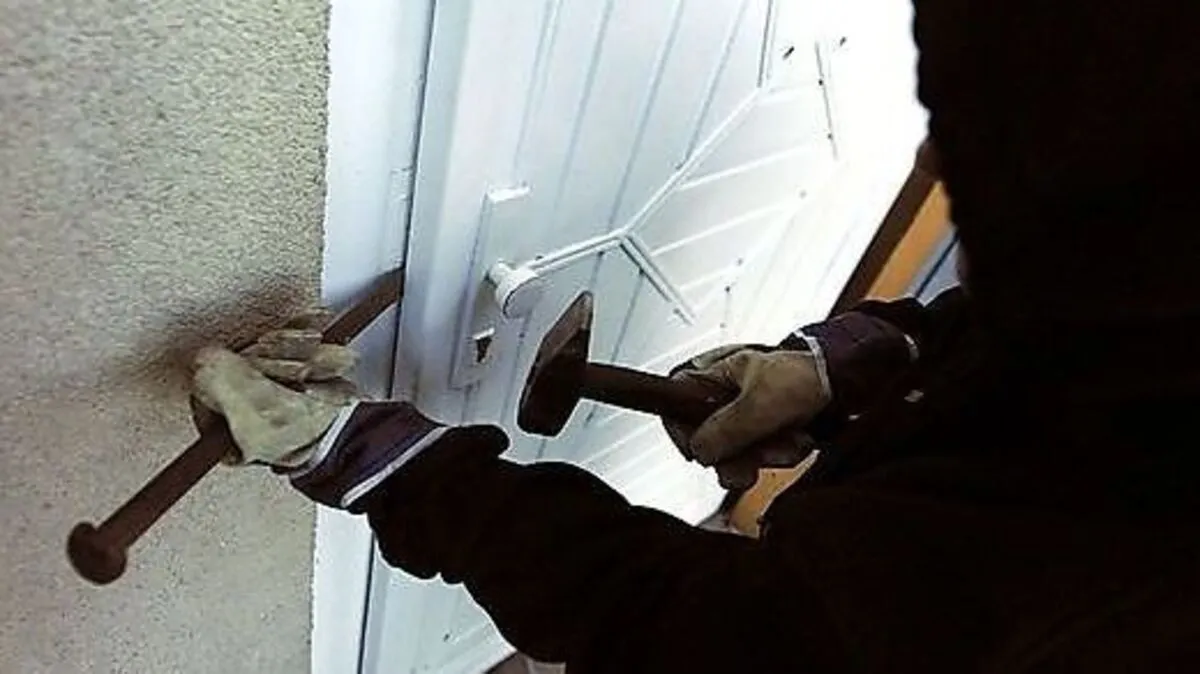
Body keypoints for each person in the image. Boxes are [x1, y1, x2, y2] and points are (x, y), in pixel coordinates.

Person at [192, 1, 1200, 671]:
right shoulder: (1141, 310)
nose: (930, 159)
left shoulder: (1108, 601)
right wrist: (843, 366)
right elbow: (1010, 335)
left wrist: (369, 457)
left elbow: (678, 625)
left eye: (988, 144)